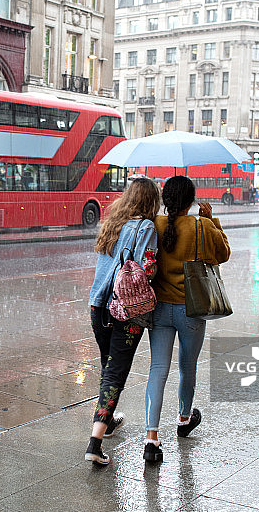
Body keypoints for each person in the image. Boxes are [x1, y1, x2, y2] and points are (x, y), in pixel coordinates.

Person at [143, 176, 230, 463]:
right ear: (191, 201)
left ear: (166, 199)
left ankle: (151, 438)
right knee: (187, 366)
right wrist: (212, 220)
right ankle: (183, 418)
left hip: (160, 309)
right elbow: (223, 254)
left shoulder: (155, 224)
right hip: (191, 309)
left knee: (157, 369)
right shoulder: (201, 225)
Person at [85, 177, 160, 465]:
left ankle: (108, 420)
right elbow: (147, 269)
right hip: (125, 310)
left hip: (98, 305)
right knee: (116, 373)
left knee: (108, 367)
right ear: (151, 201)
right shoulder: (146, 227)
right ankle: (95, 442)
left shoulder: (113, 223)